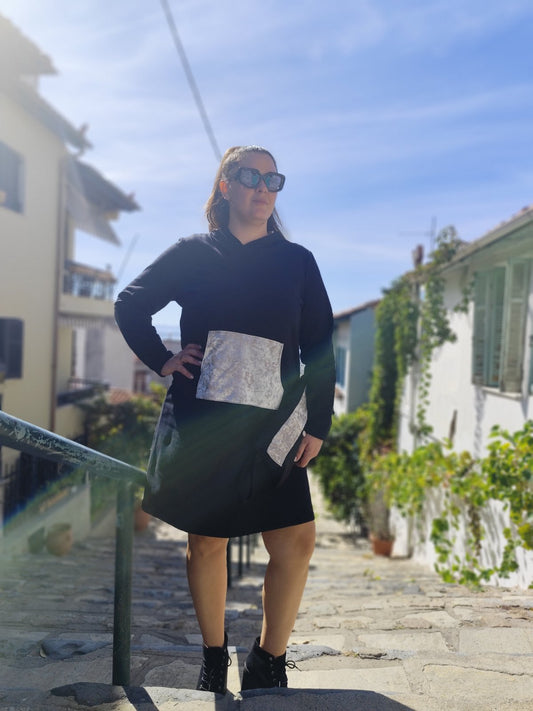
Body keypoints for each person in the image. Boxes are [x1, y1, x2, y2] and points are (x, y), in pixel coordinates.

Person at [114, 145, 335, 694]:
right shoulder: (194, 252)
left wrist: (319, 422)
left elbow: (319, 346)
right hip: (204, 422)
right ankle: (214, 659)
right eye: (250, 176)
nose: (263, 187)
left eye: (273, 179)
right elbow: (130, 304)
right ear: (225, 185)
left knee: (295, 542)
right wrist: (162, 359)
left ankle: (268, 658)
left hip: (276, 425)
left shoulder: (297, 262)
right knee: (208, 541)